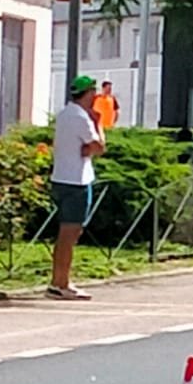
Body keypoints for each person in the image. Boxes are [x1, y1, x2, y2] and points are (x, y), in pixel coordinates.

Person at [48, 75, 106, 299]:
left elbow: (86, 147)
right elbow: (99, 147)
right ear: (88, 93)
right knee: (70, 234)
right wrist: (99, 123)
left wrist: (87, 148)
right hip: (77, 181)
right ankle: (60, 283)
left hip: (61, 177)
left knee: (66, 233)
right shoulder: (82, 117)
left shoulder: (65, 114)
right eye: (93, 92)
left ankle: (59, 280)